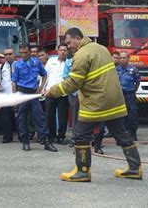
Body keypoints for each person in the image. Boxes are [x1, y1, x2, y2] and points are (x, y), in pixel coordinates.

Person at [45, 28, 142, 182]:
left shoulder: (82, 55)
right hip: (114, 101)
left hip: (96, 102)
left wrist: (52, 91)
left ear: (78, 38)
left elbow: (73, 83)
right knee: (122, 134)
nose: (68, 46)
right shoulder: (101, 48)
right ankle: (135, 168)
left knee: (80, 136)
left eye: (69, 43)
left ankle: (82, 171)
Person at [12, 43, 57, 152]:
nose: (23, 55)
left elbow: (44, 74)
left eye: (25, 52)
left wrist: (41, 87)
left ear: (29, 52)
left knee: (40, 118)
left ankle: (46, 141)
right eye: (21, 53)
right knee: (22, 119)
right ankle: (25, 142)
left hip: (33, 94)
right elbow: (14, 83)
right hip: (22, 93)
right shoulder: (17, 65)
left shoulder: (36, 62)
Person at [44, 44, 69, 144]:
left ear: (67, 51)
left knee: (63, 116)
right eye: (61, 50)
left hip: (63, 93)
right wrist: (43, 88)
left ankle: (61, 136)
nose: (63, 52)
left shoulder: (69, 63)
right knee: (50, 115)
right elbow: (45, 76)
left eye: (65, 50)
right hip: (50, 91)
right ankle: (51, 135)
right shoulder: (51, 61)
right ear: (57, 51)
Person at [117, 52, 141, 141]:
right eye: (120, 58)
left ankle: (133, 133)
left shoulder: (133, 69)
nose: (122, 59)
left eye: (124, 58)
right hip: (120, 95)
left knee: (132, 114)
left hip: (130, 94)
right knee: (121, 115)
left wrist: (134, 90)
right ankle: (123, 134)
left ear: (128, 58)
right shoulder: (116, 70)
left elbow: (137, 81)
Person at [0, 47, 15, 143]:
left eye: (10, 54)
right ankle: (7, 137)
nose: (8, 56)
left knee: (20, 117)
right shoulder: (1, 67)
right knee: (5, 118)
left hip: (17, 96)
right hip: (5, 96)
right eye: (6, 54)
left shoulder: (19, 65)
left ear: (14, 54)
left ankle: (22, 136)